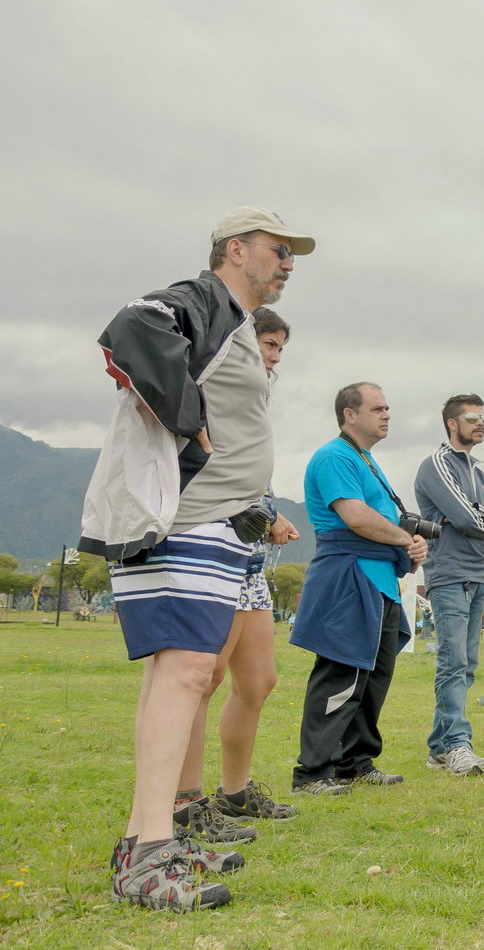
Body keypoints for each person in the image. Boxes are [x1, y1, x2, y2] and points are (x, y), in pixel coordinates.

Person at [82, 206, 313, 911]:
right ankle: (147, 854)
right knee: (184, 673)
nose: (289, 263)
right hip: (184, 516)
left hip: (219, 523)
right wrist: (192, 432)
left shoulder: (233, 323)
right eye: (278, 250)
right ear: (235, 249)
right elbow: (131, 326)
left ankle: (152, 838)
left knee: (182, 675)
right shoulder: (202, 299)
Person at [177, 308, 305, 841]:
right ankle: (186, 802)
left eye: (278, 348)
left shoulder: (255, 405)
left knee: (258, 680)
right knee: (202, 681)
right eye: (266, 345)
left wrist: (269, 511)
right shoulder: (215, 393)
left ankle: (234, 791)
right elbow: (209, 469)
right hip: (212, 548)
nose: (273, 358)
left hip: (249, 560)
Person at [290, 383, 426, 794]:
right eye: (377, 408)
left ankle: (355, 762)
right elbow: (356, 516)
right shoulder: (334, 456)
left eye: (388, 408)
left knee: (373, 677)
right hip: (349, 576)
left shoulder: (365, 459)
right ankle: (313, 772)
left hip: (380, 580)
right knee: (342, 674)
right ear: (350, 414)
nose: (387, 415)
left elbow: (381, 517)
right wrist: (406, 539)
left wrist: (411, 542)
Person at [414, 394, 484, 777]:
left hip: (479, 573)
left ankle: (439, 749)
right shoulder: (436, 464)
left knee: (467, 664)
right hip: (449, 573)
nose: (481, 423)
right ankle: (458, 745)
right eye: (473, 417)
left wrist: (480, 519)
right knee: (452, 661)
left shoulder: (481, 473)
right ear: (452, 424)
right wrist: (482, 518)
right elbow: (466, 517)